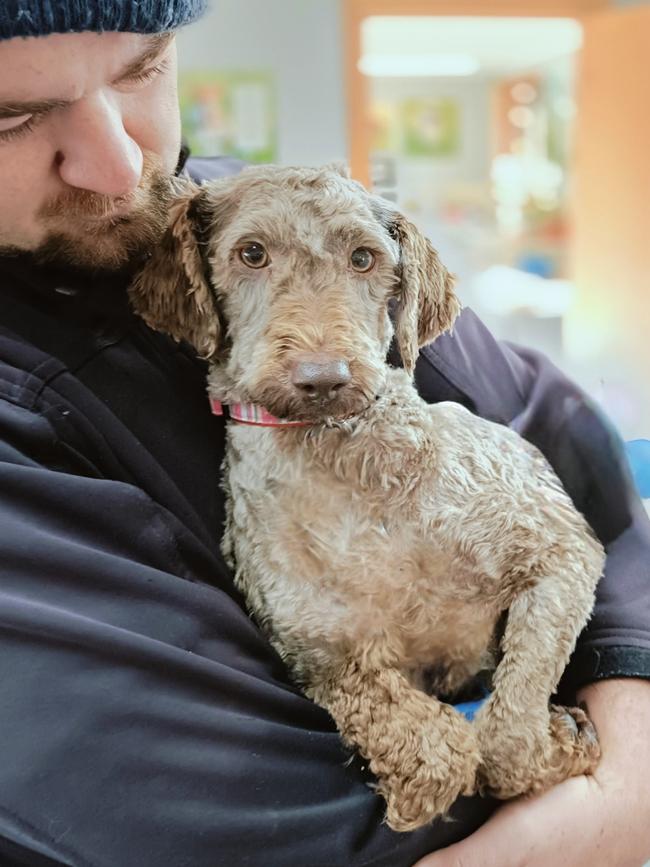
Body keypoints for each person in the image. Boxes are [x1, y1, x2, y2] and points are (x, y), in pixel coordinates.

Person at [0, 2, 649, 865]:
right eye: (10, 116)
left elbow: (589, 478)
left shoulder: (262, 208)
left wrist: (631, 738)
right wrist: (595, 818)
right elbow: (253, 823)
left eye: (142, 68)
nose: (120, 167)